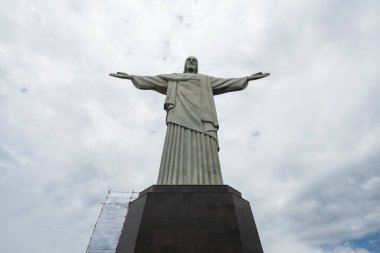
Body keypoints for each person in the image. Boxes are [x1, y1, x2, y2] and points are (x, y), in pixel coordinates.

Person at [110, 56, 269, 185]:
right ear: (184, 64)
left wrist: (247, 78)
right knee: (177, 145)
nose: (191, 62)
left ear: (197, 66)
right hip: (179, 115)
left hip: (202, 117)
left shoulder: (205, 79)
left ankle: (209, 182)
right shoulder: (173, 78)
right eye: (189, 60)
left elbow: (226, 82)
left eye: (194, 60)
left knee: (205, 146)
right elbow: (152, 81)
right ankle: (170, 182)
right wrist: (131, 77)